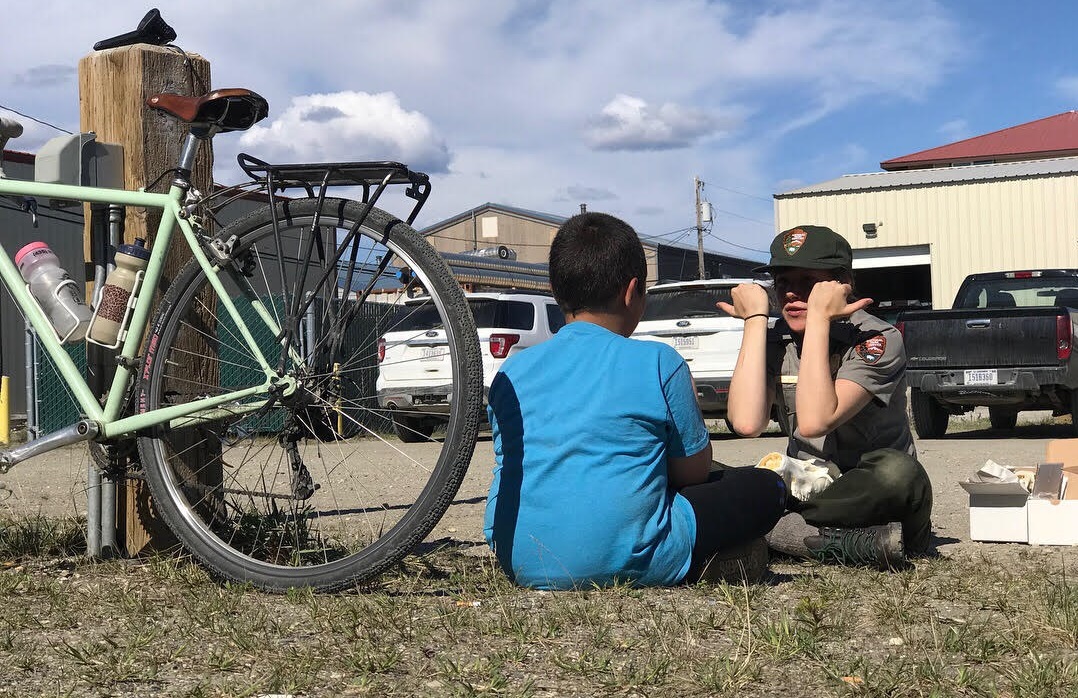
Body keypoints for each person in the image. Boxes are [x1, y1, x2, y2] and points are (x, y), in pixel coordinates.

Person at [483, 212, 787, 590]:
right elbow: (692, 473)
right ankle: (693, 558)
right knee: (765, 487)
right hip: (630, 555)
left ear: (556, 290)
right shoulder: (658, 362)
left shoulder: (511, 373)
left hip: (519, 557)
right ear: (632, 292)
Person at [719, 224, 933, 568]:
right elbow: (746, 423)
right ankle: (833, 541)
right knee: (707, 474)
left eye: (808, 282)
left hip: (870, 492)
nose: (791, 294)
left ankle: (775, 527)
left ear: (842, 284)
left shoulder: (878, 337)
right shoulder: (777, 338)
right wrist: (755, 322)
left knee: (899, 473)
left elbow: (816, 421)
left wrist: (819, 317)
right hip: (805, 484)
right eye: (783, 282)